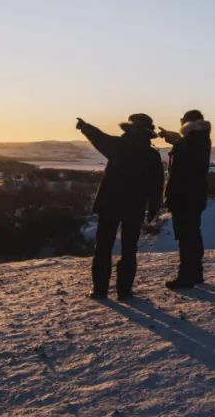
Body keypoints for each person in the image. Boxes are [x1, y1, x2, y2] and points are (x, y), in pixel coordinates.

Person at [77, 113, 163, 301]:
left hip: (109, 204)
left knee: (103, 248)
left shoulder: (117, 146)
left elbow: (98, 137)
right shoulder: (151, 155)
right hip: (134, 207)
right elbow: (156, 185)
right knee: (129, 250)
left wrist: (85, 127)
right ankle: (124, 292)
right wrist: (154, 207)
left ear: (129, 129)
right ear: (148, 133)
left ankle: (99, 291)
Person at [158, 109, 212, 289]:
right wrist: (174, 139)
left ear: (188, 123)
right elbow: (184, 148)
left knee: (186, 236)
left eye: (182, 120)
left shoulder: (195, 141)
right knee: (192, 235)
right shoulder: (199, 139)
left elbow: (184, 157)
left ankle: (187, 276)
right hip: (192, 196)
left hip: (185, 196)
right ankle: (195, 273)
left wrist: (176, 141)